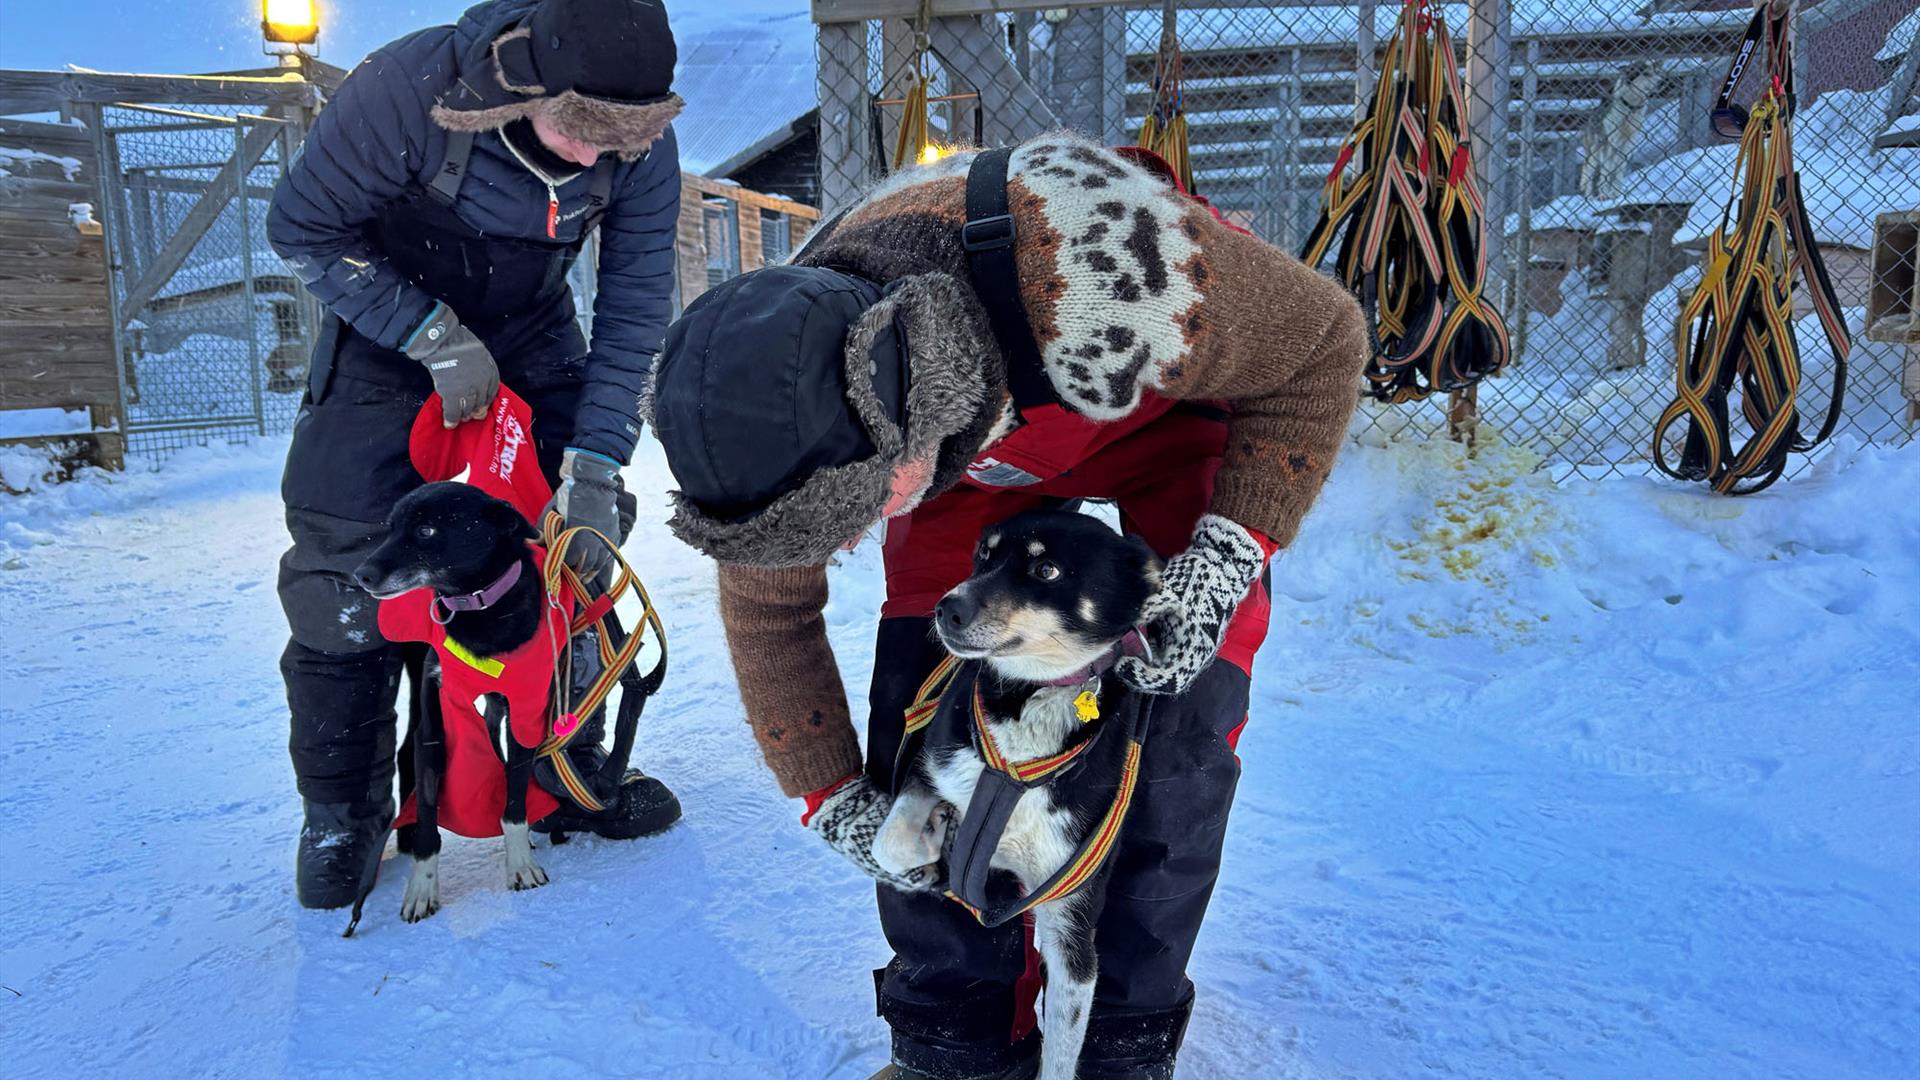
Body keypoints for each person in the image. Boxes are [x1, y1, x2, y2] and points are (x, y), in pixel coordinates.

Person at [645, 135, 1368, 1079]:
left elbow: (1326, 341)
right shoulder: (783, 404)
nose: (848, 544)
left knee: (1181, 725)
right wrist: (831, 796)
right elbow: (770, 614)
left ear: (898, 437)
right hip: (978, 460)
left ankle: (1121, 1039)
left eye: (859, 513)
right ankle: (952, 1034)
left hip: (1164, 412)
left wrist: (1228, 553)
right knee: (921, 708)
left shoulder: (1102, 268)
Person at [268, 0, 685, 911]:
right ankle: (344, 808)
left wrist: (596, 460)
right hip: (385, 331)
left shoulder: (636, 139)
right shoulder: (405, 91)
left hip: (533, 330)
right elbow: (303, 229)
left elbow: (634, 310)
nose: (593, 159)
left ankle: (564, 770)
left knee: (576, 544)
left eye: (618, 144)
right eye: (579, 131)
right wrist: (430, 336)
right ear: (525, 83)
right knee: (342, 552)